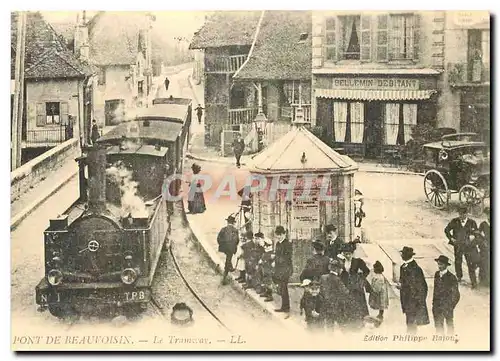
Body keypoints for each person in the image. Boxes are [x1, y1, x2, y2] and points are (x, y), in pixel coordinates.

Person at [444, 206, 479, 288]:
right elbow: (446, 230)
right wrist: (451, 238)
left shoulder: (472, 222)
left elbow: (477, 233)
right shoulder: (454, 221)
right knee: (458, 261)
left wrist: (473, 239)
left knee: (470, 263)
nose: (461, 216)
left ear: (466, 214)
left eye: (463, 214)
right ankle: (459, 277)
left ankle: (473, 282)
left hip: (468, 247)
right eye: (460, 214)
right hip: (458, 246)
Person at [397, 246, 430, 334]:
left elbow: (419, 286)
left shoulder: (415, 269)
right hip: (406, 299)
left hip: (413, 300)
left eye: (403, 254)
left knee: (411, 322)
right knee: (409, 321)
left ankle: (411, 339)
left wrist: (402, 286)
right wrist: (401, 284)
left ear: (408, 255)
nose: (401, 255)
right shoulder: (403, 267)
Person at [339, 242, 370, 328]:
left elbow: (366, 271)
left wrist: (361, 278)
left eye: (349, 254)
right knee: (348, 302)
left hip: (356, 285)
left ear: (352, 253)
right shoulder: (342, 262)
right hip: (346, 285)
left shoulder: (358, 261)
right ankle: (349, 321)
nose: (347, 256)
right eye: (345, 254)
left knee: (358, 302)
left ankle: (360, 321)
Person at [320, 259, 351, 332]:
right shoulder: (338, 280)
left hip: (326, 306)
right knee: (343, 326)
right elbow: (345, 292)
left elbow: (321, 290)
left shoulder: (323, 277)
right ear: (338, 269)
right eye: (341, 269)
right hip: (337, 306)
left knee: (329, 327)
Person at [432, 255, 460, 335]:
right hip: (437, 307)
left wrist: (450, 306)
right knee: (438, 327)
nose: (439, 266)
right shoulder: (437, 274)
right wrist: (434, 305)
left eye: (441, 264)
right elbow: (435, 291)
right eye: (438, 264)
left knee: (449, 325)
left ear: (446, 265)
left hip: (447, 307)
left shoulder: (452, 277)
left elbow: (456, 295)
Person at [273, 225, 293, 315]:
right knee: (281, 287)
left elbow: (286, 258)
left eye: (281, 234)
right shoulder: (278, 243)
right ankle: (284, 306)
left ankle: (286, 307)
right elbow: (277, 255)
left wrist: (275, 259)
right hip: (279, 268)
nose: (279, 236)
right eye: (278, 234)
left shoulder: (287, 244)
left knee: (284, 287)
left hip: (286, 269)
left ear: (284, 234)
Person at [217, 215, 240, 285]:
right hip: (231, 247)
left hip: (224, 247)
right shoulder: (235, 230)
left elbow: (218, 238)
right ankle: (225, 274)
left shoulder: (223, 229)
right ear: (233, 223)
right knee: (228, 259)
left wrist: (222, 244)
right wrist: (233, 245)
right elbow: (237, 240)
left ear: (227, 222)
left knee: (228, 257)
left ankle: (230, 267)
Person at [477, 207, 490, 288]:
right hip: (485, 247)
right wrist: (482, 241)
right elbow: (478, 234)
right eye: (488, 214)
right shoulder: (483, 224)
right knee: (484, 263)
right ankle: (483, 280)